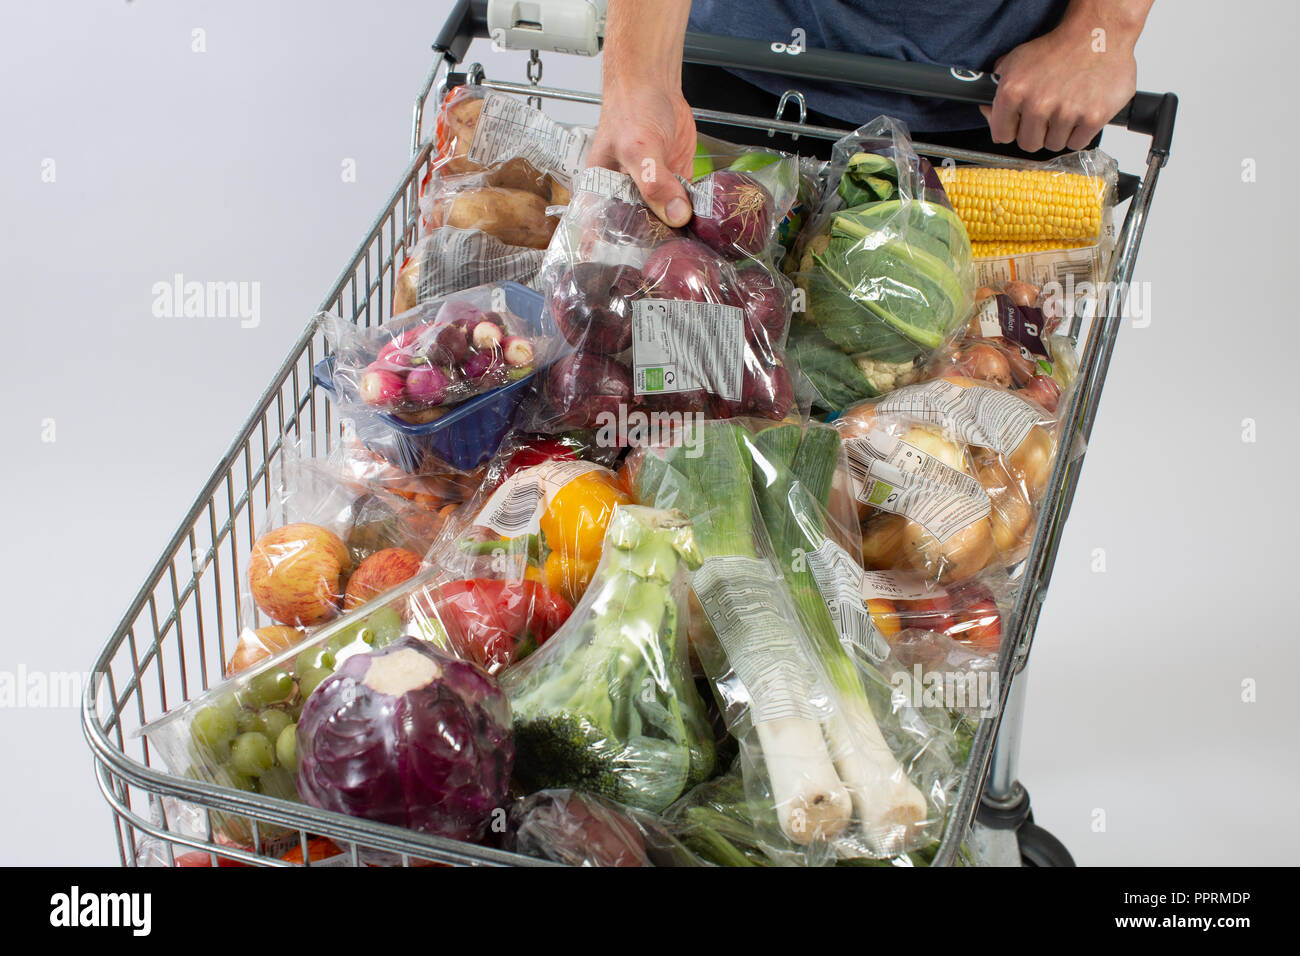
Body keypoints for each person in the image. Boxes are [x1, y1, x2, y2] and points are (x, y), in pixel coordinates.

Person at [588, 0, 1152, 227]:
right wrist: (636, 78)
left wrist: (1102, 27)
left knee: (966, 452)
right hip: (742, 67)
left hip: (1005, 107)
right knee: (679, 394)